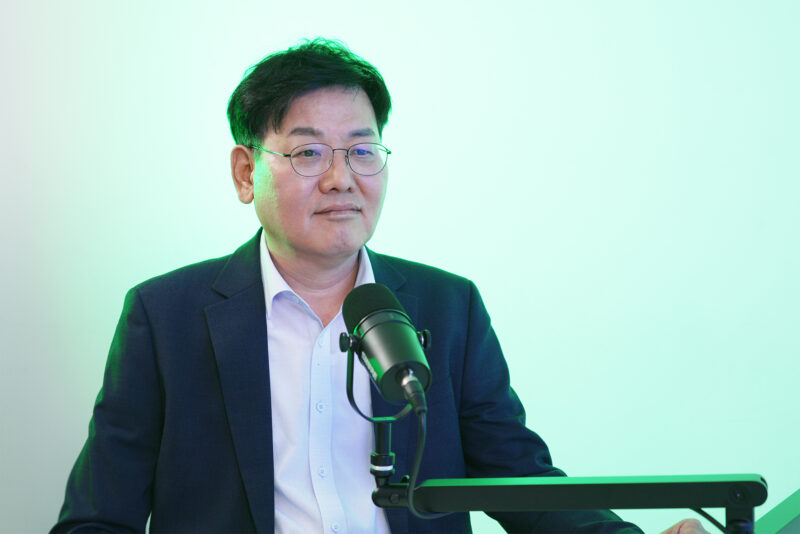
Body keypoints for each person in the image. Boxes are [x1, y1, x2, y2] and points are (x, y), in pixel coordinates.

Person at [52, 39, 708, 534]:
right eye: (308, 152)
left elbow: (519, 481)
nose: (342, 178)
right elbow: (98, 516)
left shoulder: (447, 307)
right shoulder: (166, 316)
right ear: (246, 172)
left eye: (363, 151)